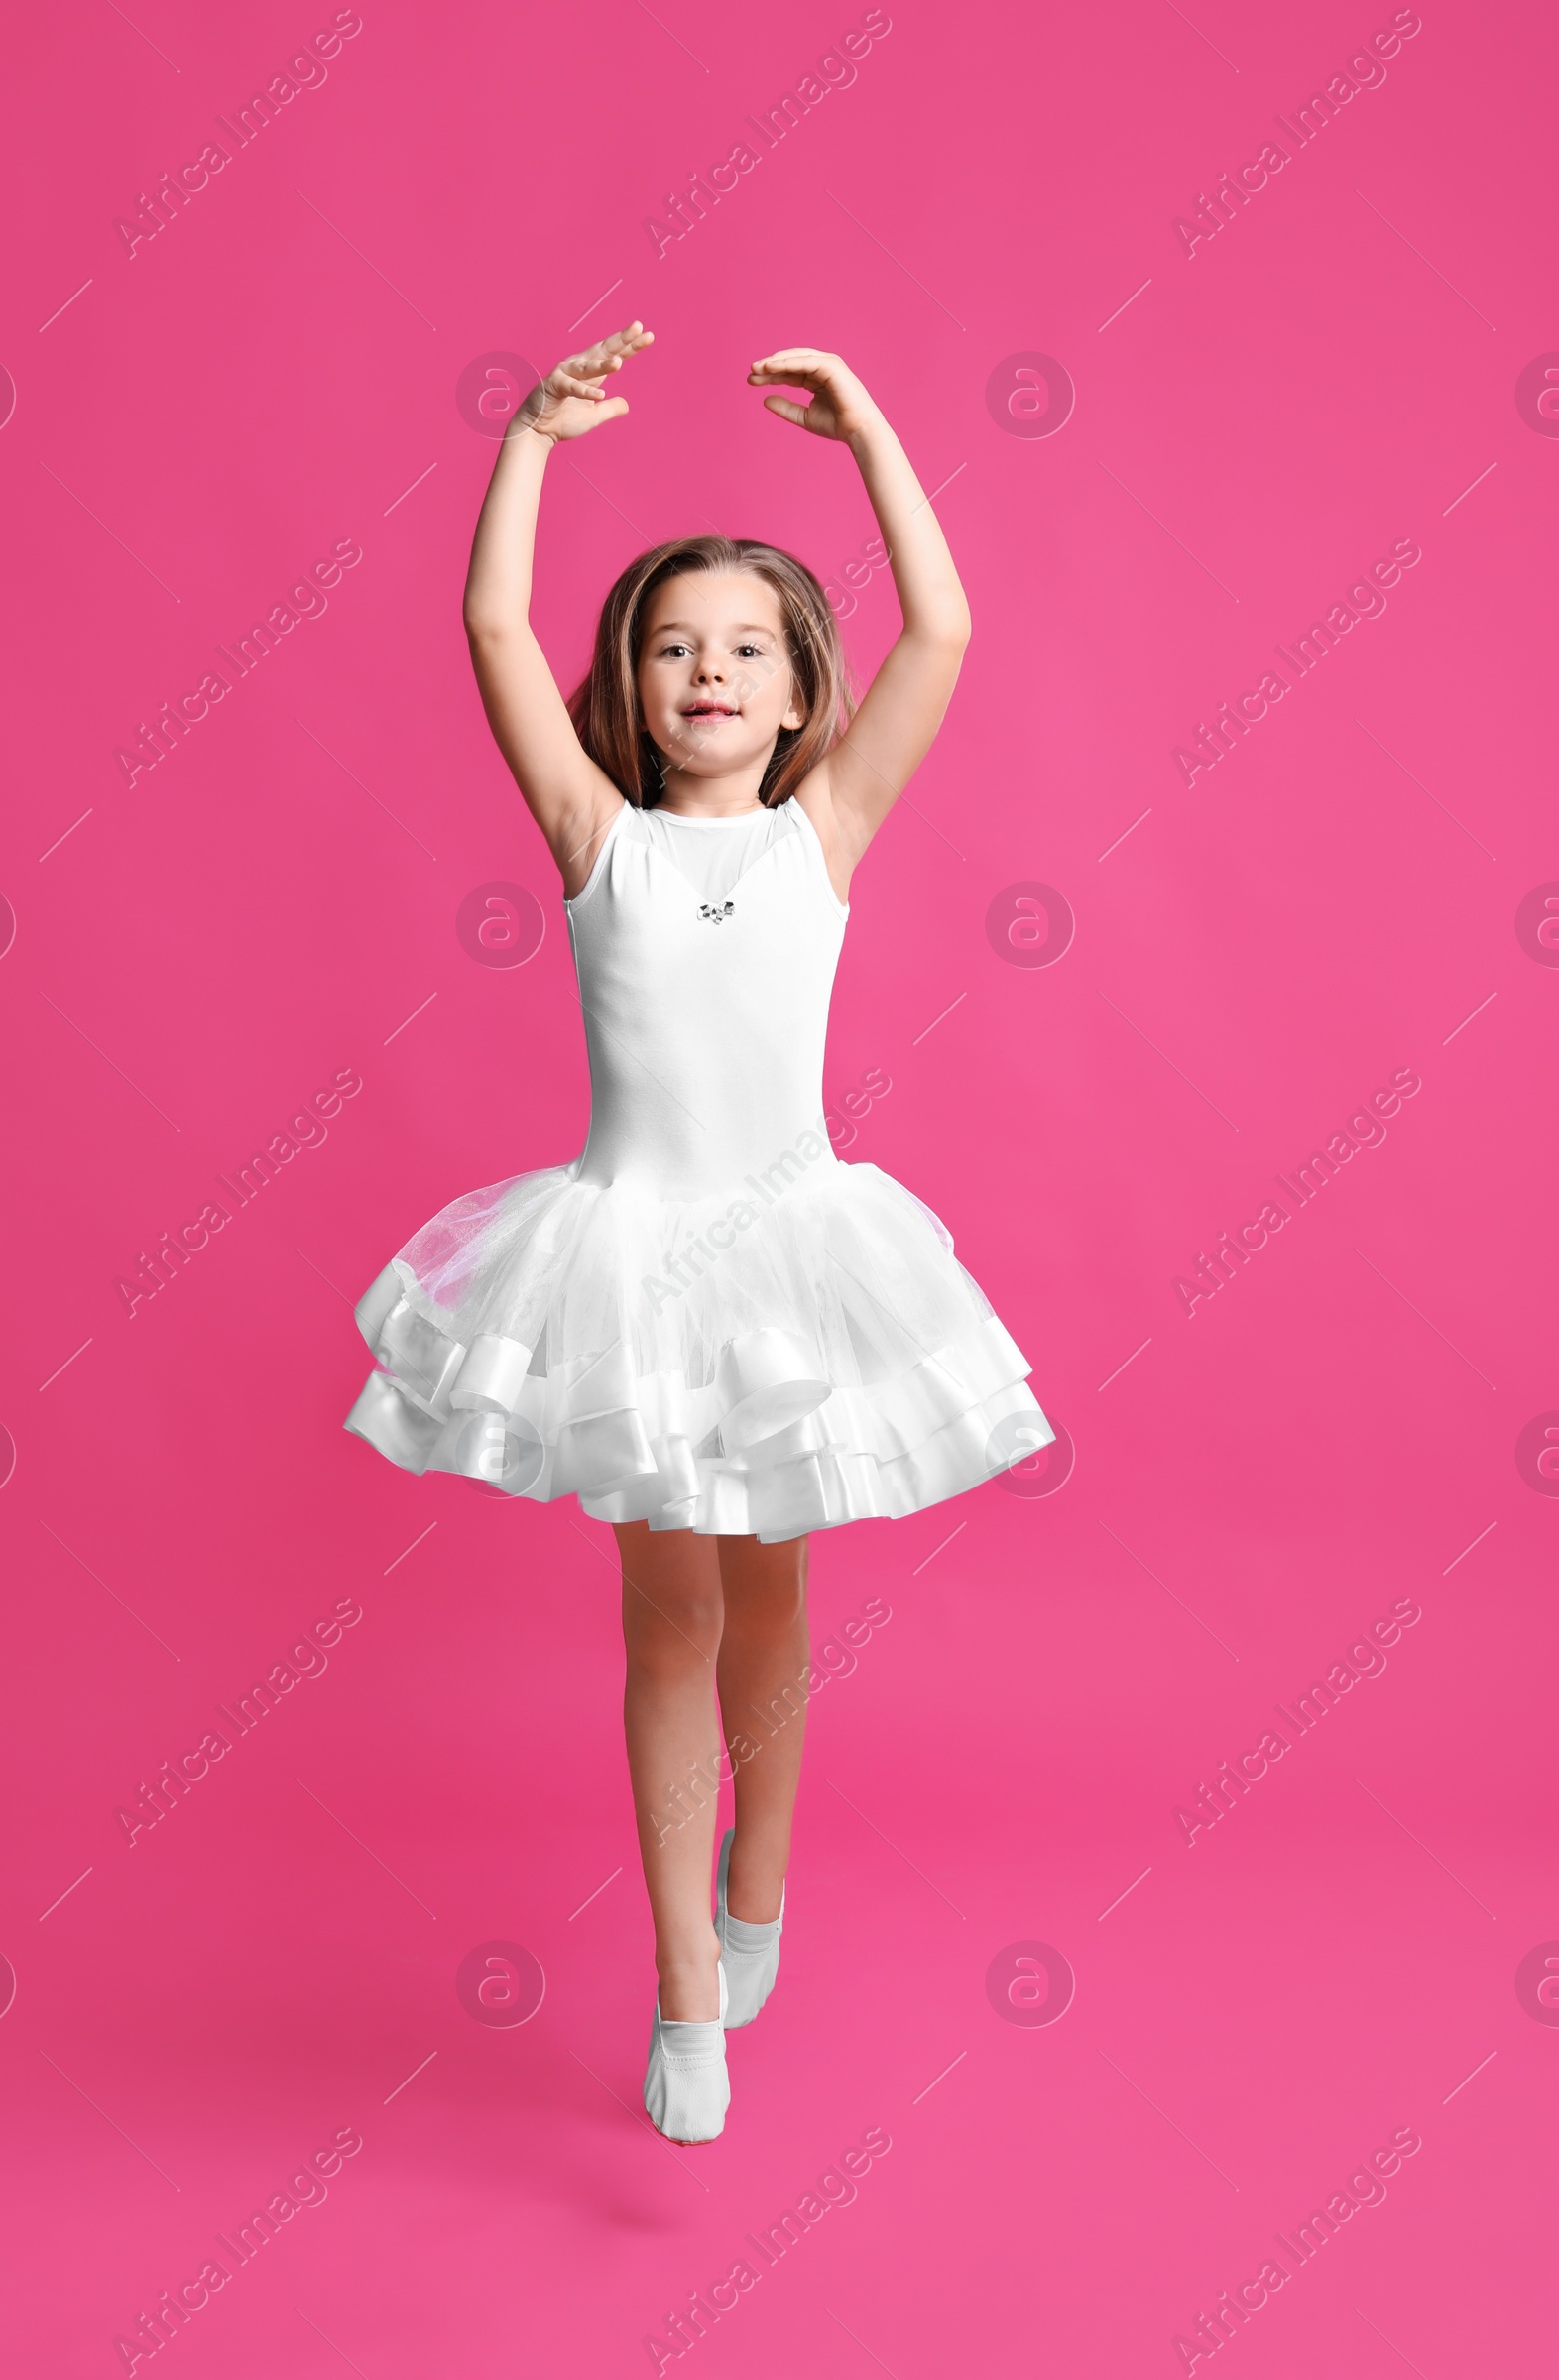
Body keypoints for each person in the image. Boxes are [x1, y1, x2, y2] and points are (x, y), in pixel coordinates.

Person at [344, 323, 1054, 2140]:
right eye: (673, 646)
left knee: (777, 1598)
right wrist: (527, 439)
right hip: (634, 1263)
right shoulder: (598, 840)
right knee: (667, 1624)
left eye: (745, 647)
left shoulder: (826, 828)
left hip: (796, 1253)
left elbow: (948, 634)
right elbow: (492, 632)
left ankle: (760, 1887)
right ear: (633, 689)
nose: (708, 669)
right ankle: (684, 2002)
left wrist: (877, 429)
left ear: (801, 690)